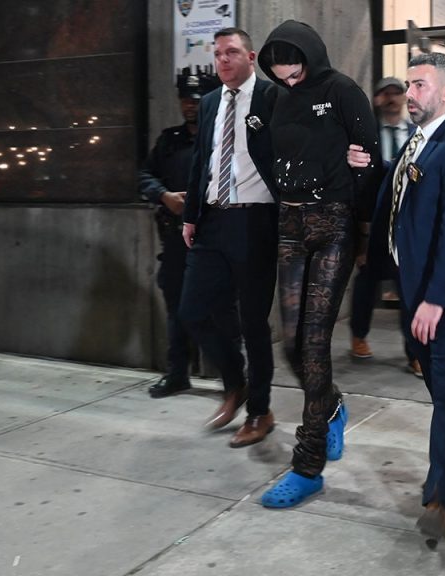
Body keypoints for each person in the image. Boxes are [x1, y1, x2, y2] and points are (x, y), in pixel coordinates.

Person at [349, 52, 445, 544]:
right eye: (408, 85)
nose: (409, 94)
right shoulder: (420, 141)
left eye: (419, 86)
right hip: (419, 290)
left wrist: (435, 298)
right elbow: (396, 192)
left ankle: (438, 498)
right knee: (443, 385)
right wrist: (367, 168)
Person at [254, 20, 381, 509]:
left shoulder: (342, 90)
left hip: (333, 224)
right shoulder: (275, 98)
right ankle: (331, 407)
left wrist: (354, 183)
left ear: (311, 56)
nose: (290, 82)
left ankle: (307, 466)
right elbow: (264, 150)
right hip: (290, 224)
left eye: (295, 73)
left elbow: (371, 158)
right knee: (290, 343)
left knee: (313, 344)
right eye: (281, 76)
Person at [179, 28, 280, 449]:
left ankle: (260, 411)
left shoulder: (272, 98)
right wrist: (190, 216)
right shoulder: (209, 103)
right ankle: (235, 383)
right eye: (218, 54)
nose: (223, 60)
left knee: (254, 322)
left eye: (232, 52)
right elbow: (200, 162)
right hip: (212, 221)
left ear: (250, 57)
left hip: (255, 222)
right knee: (193, 311)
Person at [139, 73, 217, 398]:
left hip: (213, 241)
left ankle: (232, 375)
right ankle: (177, 373)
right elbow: (145, 175)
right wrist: (164, 196)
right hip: (175, 241)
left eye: (196, 100)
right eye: (185, 100)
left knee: (219, 309)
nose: (190, 106)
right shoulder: (169, 140)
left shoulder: (221, 140)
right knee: (176, 308)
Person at [348, 76, 421, 378]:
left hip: (407, 225)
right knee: (366, 281)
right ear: (376, 99)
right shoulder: (365, 137)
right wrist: (360, 235)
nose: (391, 98)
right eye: (384, 94)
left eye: (396, 93)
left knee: (409, 287)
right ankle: (359, 335)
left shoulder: (417, 135)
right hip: (373, 223)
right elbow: (359, 184)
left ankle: (414, 353)